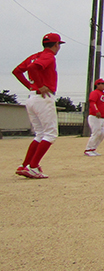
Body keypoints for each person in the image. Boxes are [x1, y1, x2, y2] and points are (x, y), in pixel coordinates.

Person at [12, 33, 66, 179]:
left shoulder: (35, 55)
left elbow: (17, 71)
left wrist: (30, 86)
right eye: (59, 44)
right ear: (56, 44)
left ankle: (25, 165)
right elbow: (33, 67)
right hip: (43, 97)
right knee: (51, 134)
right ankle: (33, 166)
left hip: (32, 97)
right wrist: (40, 85)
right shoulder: (49, 56)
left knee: (40, 134)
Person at [85, 78, 104, 156]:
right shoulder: (95, 93)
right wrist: (96, 111)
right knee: (96, 132)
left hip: (102, 118)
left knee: (102, 134)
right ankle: (88, 149)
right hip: (94, 117)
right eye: (102, 84)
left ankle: (93, 148)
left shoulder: (103, 94)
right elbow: (92, 103)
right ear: (97, 85)